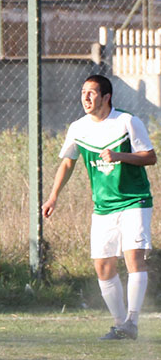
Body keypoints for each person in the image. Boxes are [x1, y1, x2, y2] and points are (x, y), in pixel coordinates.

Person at [42, 75, 155, 340]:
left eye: (92, 93)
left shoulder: (127, 121)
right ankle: (120, 326)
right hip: (103, 206)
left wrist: (120, 156)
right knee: (103, 267)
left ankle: (132, 322)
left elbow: (150, 157)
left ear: (107, 97)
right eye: (83, 92)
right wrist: (53, 197)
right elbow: (68, 162)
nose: (86, 97)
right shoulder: (78, 128)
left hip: (134, 200)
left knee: (133, 258)